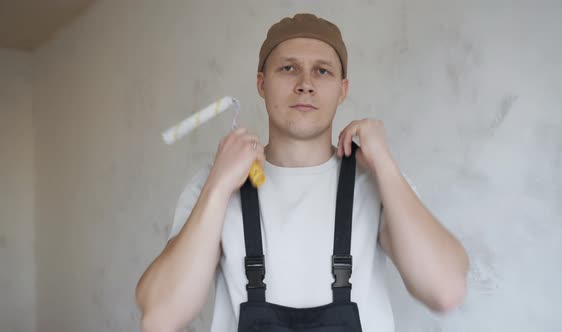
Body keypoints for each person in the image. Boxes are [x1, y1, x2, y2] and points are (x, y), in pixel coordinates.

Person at [136, 13, 469, 332]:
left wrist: (386, 165)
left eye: (322, 71)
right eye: (288, 68)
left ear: (343, 89)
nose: (305, 84)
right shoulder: (214, 184)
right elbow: (160, 319)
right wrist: (219, 186)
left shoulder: (377, 181)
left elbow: (446, 290)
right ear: (261, 83)